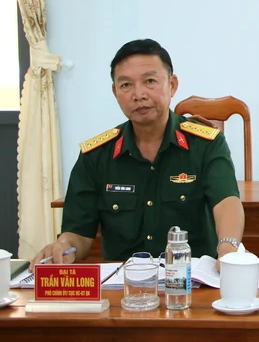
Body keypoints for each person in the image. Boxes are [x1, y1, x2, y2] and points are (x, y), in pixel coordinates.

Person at [32, 39, 245, 265]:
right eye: (126, 85)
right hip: (124, 281)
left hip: (190, 278)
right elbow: (78, 233)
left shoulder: (206, 144)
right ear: (115, 92)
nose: (138, 94)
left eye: (149, 81)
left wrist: (227, 248)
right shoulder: (95, 156)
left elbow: (226, 202)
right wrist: (64, 247)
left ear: (172, 85)